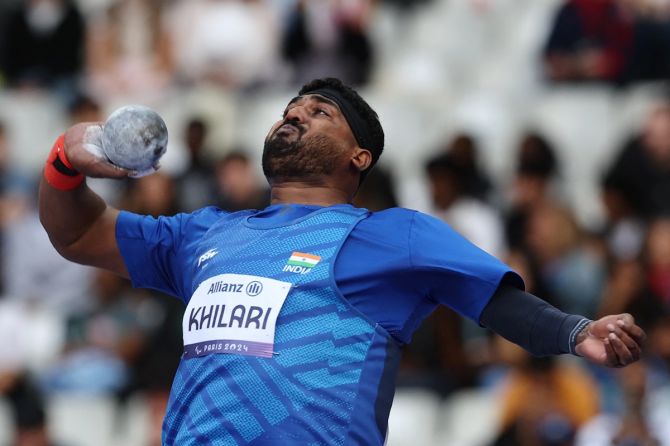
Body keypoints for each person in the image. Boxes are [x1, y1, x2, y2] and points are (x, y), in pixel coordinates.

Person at [38, 77, 646, 445]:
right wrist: (65, 162)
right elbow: (82, 234)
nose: (294, 114)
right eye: (290, 109)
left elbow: (496, 301)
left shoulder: (393, 235)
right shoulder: (203, 233)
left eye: (318, 112)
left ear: (358, 157)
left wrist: (578, 331)